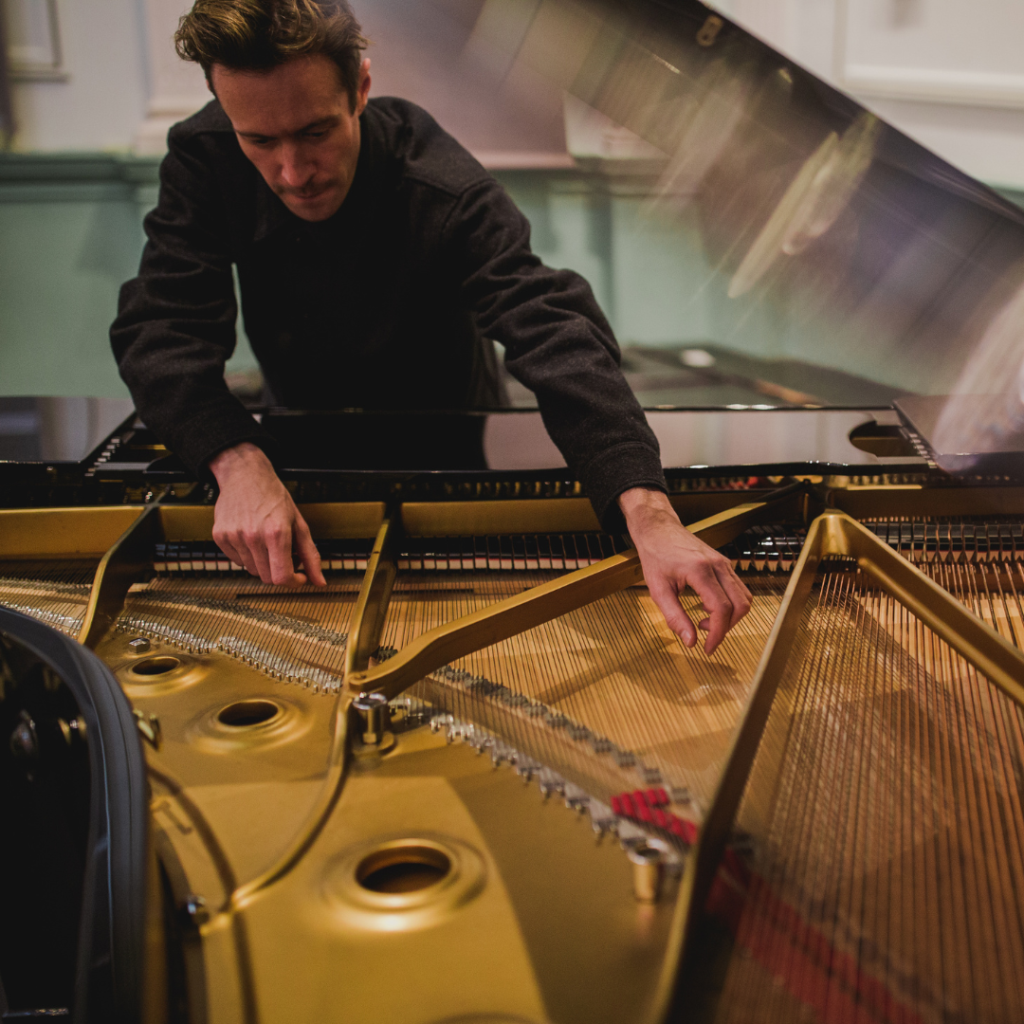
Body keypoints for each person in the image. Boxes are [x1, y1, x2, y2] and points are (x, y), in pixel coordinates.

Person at [110, 0, 751, 654]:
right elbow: (161, 327)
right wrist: (237, 459)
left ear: (361, 88)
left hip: (448, 458)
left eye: (315, 131)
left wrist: (649, 512)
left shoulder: (438, 180)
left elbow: (551, 326)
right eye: (260, 141)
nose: (293, 173)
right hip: (296, 457)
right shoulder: (204, 156)